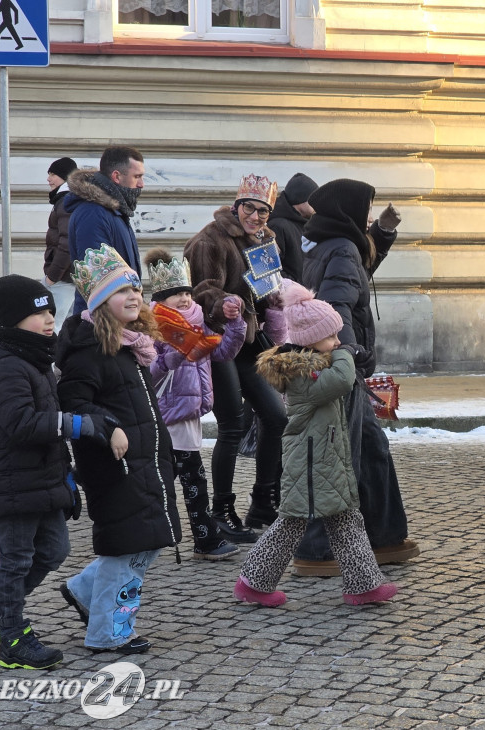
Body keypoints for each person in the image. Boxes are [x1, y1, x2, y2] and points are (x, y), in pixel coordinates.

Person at [234, 282, 398, 607]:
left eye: (338, 337)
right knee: (291, 524)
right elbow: (337, 382)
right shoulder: (300, 373)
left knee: (346, 520)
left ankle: (363, 585)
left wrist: (349, 360)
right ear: (310, 341)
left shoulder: (316, 364)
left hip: (324, 461)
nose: (338, 342)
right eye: (332, 337)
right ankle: (253, 581)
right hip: (310, 466)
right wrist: (346, 355)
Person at [0, 277, 108, 669]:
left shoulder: (33, 358)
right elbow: (21, 423)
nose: (50, 319)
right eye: (38, 313)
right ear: (14, 320)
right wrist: (73, 424)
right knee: (15, 559)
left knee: (54, 549)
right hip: (13, 480)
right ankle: (12, 636)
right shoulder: (7, 366)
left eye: (51, 310)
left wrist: (66, 472)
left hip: (42, 477)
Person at [56, 244, 182, 655]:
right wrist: (108, 428)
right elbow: (74, 402)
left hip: (145, 464)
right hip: (116, 468)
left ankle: (84, 589)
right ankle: (108, 632)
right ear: (99, 302)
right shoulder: (91, 349)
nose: (133, 297)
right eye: (120, 292)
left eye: (136, 290)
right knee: (124, 550)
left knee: (147, 541)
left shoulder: (131, 346)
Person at [294, 179, 418, 575]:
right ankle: (318, 549)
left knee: (368, 451)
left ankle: (383, 537)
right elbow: (337, 307)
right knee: (339, 458)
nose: (368, 215)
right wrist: (347, 357)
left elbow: (353, 278)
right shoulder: (342, 247)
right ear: (347, 210)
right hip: (340, 367)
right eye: (366, 208)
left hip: (333, 362)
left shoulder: (324, 241)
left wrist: (381, 232)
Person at [183, 174, 289, 542]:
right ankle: (221, 510)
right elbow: (200, 291)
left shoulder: (264, 241)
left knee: (276, 417)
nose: (256, 217)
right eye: (250, 208)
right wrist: (224, 303)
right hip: (215, 339)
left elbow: (266, 286)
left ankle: (262, 501)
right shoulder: (209, 240)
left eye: (263, 211)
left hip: (248, 340)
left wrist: (275, 298)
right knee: (231, 424)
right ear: (236, 206)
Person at [145, 248, 246, 560]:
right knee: (186, 477)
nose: (184, 298)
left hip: (190, 413)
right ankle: (203, 539)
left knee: (174, 476)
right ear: (160, 299)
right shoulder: (154, 325)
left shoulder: (198, 320)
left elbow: (220, 354)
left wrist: (235, 325)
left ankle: (184, 536)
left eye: (186, 292)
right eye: (175, 294)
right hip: (169, 412)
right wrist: (177, 356)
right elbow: (150, 369)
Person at [66, 146, 146, 314]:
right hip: (103, 324)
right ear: (116, 176)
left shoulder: (115, 211)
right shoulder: (93, 213)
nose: (141, 184)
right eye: (137, 177)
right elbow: (100, 279)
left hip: (120, 318)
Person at [43, 157, 78, 321]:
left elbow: (67, 243)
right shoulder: (66, 199)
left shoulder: (65, 201)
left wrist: (53, 276)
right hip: (66, 276)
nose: (48, 179)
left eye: (53, 174)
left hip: (62, 277)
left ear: (65, 176)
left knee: (52, 324)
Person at [268, 173, 319, 283]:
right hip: (290, 297)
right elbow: (272, 270)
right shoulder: (278, 226)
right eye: (313, 198)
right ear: (300, 199)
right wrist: (297, 287)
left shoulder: (307, 225)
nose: (317, 203)